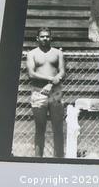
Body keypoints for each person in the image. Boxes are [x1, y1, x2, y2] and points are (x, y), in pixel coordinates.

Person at [26, 27, 65, 157]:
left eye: (47, 36)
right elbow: (31, 74)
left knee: (58, 128)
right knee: (40, 128)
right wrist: (50, 80)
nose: (45, 38)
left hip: (55, 93)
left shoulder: (57, 53)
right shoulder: (32, 54)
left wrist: (52, 83)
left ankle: (58, 159)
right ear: (37, 38)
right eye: (42, 36)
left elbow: (62, 72)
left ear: (51, 38)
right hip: (38, 93)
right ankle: (38, 160)